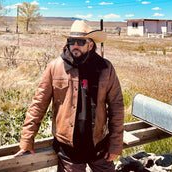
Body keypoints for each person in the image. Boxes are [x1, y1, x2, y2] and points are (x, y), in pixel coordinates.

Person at [15, 20, 124, 171]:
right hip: (69, 149)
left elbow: (116, 106)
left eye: (80, 42)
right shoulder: (55, 67)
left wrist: (115, 144)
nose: (75, 46)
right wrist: (27, 139)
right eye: (71, 41)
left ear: (90, 45)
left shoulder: (105, 68)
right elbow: (38, 104)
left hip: (99, 145)